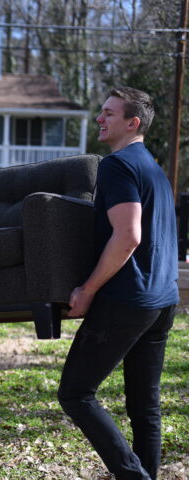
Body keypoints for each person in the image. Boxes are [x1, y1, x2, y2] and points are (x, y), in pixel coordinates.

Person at [57, 87, 178, 480]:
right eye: (101, 112)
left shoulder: (118, 165)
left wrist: (88, 289)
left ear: (133, 122)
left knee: (75, 393)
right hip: (162, 300)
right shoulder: (154, 169)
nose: (99, 119)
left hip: (127, 300)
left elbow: (128, 236)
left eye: (109, 113)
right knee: (145, 406)